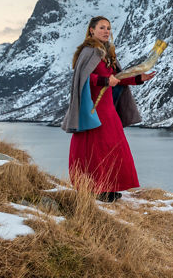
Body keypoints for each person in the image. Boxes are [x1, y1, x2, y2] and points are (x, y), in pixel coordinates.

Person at [61, 16, 155, 202]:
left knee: (113, 149)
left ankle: (109, 187)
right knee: (94, 150)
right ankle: (95, 188)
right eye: (102, 27)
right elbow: (85, 78)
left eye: (108, 28)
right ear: (92, 30)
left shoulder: (107, 53)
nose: (106, 31)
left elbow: (117, 78)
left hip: (108, 110)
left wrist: (137, 79)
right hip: (93, 110)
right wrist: (104, 80)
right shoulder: (88, 52)